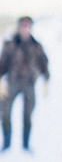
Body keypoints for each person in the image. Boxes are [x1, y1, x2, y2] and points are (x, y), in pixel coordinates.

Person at [0, 16, 50, 152]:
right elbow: (2, 63)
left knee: (28, 114)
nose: (25, 28)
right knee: (4, 112)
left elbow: (44, 62)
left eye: (28, 26)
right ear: (19, 27)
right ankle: (6, 143)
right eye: (23, 25)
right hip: (13, 82)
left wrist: (46, 79)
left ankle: (26, 145)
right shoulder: (11, 44)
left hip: (29, 83)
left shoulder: (36, 46)